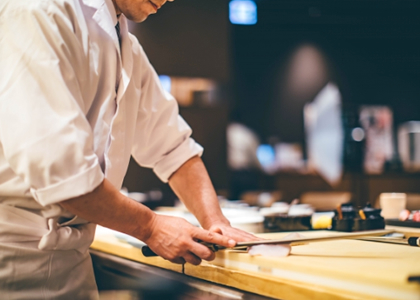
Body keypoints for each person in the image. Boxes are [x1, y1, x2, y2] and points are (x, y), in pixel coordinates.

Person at [0, 0, 257, 298]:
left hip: (72, 267)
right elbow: (61, 173)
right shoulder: (35, 10)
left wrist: (216, 223)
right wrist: (150, 227)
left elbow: (174, 148)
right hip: (11, 261)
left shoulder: (125, 44)